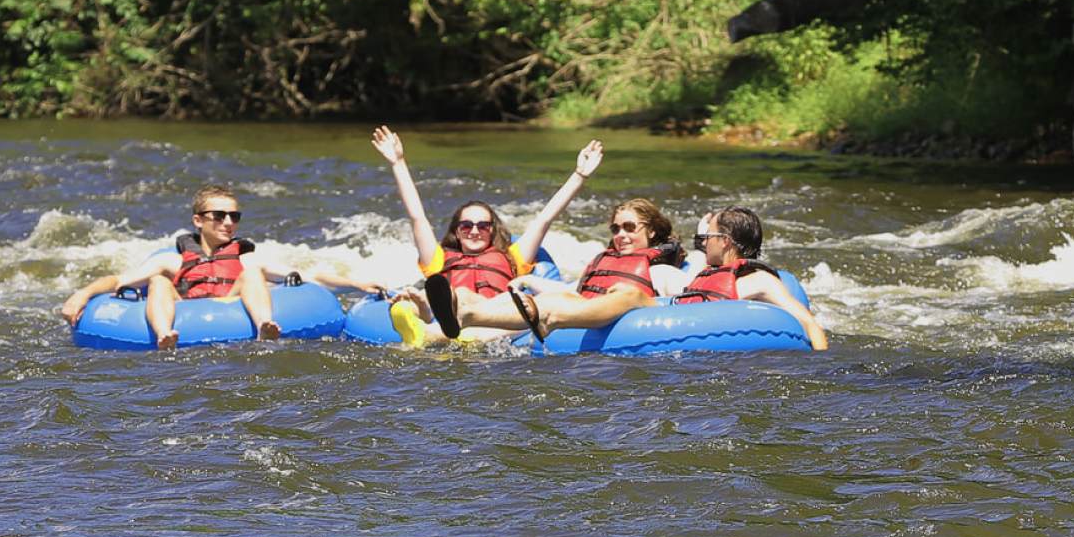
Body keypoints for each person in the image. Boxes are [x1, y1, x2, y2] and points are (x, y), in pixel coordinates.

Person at [436, 203, 829, 351]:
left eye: (705, 237)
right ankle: (469, 311)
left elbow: (807, 321)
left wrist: (820, 369)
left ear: (725, 242)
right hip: (667, 313)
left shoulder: (758, 281)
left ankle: (537, 317)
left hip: (684, 321)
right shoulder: (701, 271)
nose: (701, 244)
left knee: (628, 292)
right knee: (579, 297)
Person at [61, 184, 382, 350]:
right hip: (186, 305)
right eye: (219, 216)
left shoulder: (245, 258)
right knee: (158, 281)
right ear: (198, 221)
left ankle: (265, 326)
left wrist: (356, 284)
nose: (228, 223)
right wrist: (82, 294)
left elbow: (307, 276)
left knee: (253, 273)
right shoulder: (173, 260)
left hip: (233, 298)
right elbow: (118, 280)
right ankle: (164, 335)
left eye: (234, 217)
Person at [371, 125, 603, 348]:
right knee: (424, 297)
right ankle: (418, 312)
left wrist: (579, 175)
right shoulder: (439, 258)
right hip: (447, 309)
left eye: (483, 226)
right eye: (466, 225)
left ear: (493, 230)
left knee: (471, 297)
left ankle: (433, 332)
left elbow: (545, 218)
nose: (474, 231)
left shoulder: (514, 256)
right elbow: (417, 217)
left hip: (493, 311)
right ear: (457, 231)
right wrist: (398, 162)